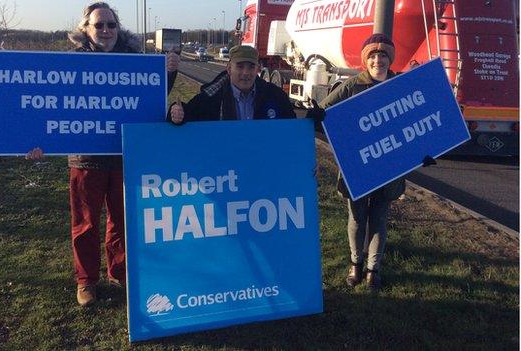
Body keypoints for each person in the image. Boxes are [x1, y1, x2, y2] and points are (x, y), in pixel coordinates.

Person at [27, 2, 179, 306]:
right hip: (86, 157)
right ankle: (86, 281)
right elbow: (49, 105)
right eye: (99, 25)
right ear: (85, 29)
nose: (106, 31)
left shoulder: (135, 61)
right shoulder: (71, 64)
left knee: (122, 220)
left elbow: (150, 101)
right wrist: (36, 140)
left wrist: (170, 75)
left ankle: (120, 272)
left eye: (111, 24)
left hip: (125, 155)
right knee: (85, 223)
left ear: (118, 28)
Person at [317, 33, 405, 291]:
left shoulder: (401, 85)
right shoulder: (351, 86)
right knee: (357, 218)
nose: (378, 60)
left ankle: (372, 269)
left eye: (383, 56)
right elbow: (322, 112)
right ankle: (355, 263)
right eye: (373, 56)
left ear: (390, 59)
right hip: (357, 166)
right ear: (366, 60)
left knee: (379, 217)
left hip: (389, 167)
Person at [168, 45, 297, 123]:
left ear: (257, 70)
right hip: (226, 166)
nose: (246, 73)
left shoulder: (276, 96)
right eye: (240, 67)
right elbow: (185, 116)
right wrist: (178, 113)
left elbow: (293, 128)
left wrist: (311, 120)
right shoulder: (211, 97)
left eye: (251, 67)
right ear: (229, 69)